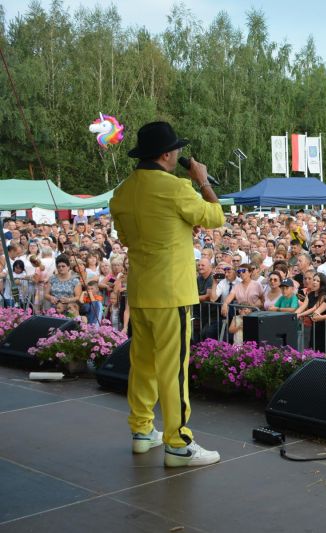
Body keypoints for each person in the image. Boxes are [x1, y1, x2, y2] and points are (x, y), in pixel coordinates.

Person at [110, 121, 225, 467]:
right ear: (166, 155)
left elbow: (128, 238)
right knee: (174, 370)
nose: (179, 154)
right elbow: (216, 216)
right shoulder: (176, 187)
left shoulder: (123, 192)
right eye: (177, 150)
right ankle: (178, 444)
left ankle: (142, 430)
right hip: (171, 294)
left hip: (140, 292)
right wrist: (202, 180)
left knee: (142, 365)